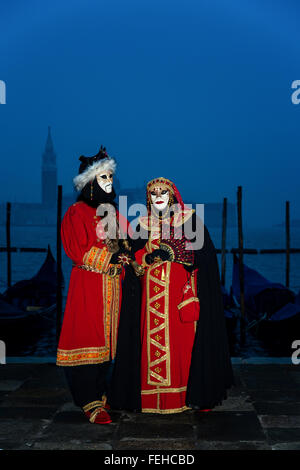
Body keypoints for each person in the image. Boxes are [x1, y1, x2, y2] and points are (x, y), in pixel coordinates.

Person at [109, 177, 234, 414]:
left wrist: (180, 258)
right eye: (153, 193)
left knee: (183, 346)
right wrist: (145, 257)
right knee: (148, 344)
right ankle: (150, 400)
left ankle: (192, 395)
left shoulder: (190, 222)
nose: (158, 196)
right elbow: (131, 259)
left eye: (163, 192)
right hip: (149, 297)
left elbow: (205, 258)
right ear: (148, 199)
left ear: (172, 196)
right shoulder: (141, 224)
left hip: (179, 296)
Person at [56, 146, 139, 424]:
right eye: (103, 178)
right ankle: (89, 401)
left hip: (116, 289)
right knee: (89, 340)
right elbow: (76, 249)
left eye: (110, 178)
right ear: (90, 182)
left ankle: (104, 394)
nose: (109, 183)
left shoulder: (113, 212)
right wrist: (112, 256)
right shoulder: (76, 212)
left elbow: (132, 239)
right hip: (90, 287)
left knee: (110, 344)